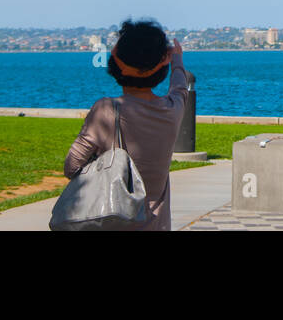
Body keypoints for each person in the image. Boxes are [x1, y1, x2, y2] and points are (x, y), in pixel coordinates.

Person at [64, 19, 191, 230]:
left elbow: (71, 167)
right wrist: (176, 59)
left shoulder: (106, 111)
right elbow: (180, 87)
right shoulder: (172, 110)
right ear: (161, 67)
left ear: (116, 62)